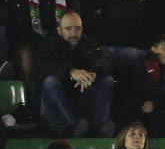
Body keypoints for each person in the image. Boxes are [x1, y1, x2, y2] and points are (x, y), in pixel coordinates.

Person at [37, 9, 115, 138]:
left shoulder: (89, 44)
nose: (74, 33)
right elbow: (44, 67)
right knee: (50, 82)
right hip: (55, 109)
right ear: (59, 30)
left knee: (107, 80)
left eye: (78, 28)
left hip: (80, 107)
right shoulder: (48, 45)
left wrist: (93, 73)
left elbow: (105, 59)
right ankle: (70, 127)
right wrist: (71, 72)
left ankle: (100, 127)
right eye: (68, 28)